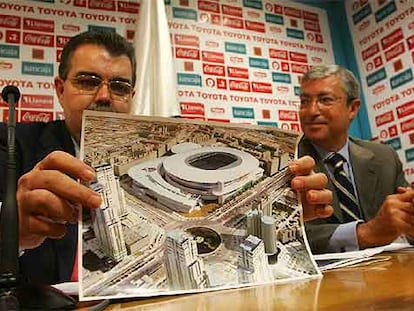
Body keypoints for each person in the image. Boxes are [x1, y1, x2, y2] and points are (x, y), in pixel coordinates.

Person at [0, 30, 332, 285]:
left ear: (131, 95)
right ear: (60, 89)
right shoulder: (12, 145)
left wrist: (273, 211)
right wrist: (10, 230)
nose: (104, 96)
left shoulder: (145, 156)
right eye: (88, 81)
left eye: (119, 86)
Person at [298, 64, 414, 254]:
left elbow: (405, 220)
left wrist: (408, 221)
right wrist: (365, 233)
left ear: (352, 108)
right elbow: (281, 236)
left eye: (325, 100)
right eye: (304, 101)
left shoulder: (384, 157)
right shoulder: (286, 162)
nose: (311, 111)